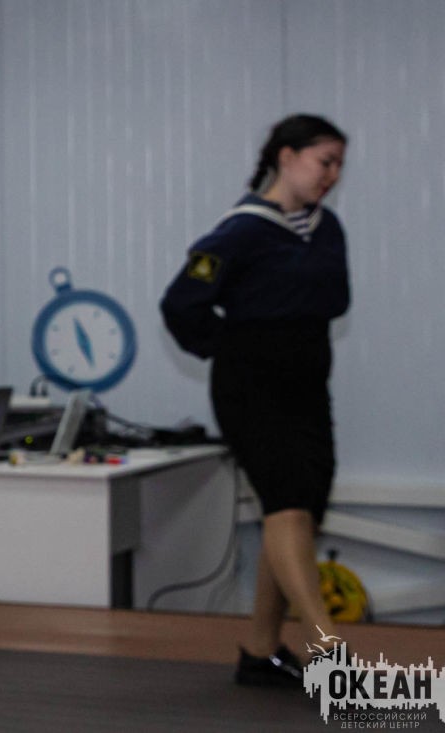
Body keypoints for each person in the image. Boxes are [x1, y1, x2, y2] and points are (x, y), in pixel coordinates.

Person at [160, 114, 350, 690]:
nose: (333, 175)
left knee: (299, 509)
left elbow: (334, 301)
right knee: (287, 501)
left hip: (307, 387)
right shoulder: (239, 231)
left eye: (339, 165)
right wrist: (231, 347)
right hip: (251, 388)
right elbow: (180, 302)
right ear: (286, 157)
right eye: (325, 162)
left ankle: (261, 650)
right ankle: (329, 651)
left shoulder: (327, 228)